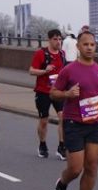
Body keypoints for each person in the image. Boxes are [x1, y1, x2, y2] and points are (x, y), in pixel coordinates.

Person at [48, 30, 98, 190]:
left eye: (92, 45)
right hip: (74, 124)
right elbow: (53, 93)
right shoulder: (69, 70)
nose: (89, 48)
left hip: (95, 124)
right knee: (75, 169)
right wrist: (67, 94)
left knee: (92, 166)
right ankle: (62, 184)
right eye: (85, 44)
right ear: (78, 47)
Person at [28, 29, 68, 160]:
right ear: (49, 40)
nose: (58, 42)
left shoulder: (62, 54)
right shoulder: (41, 53)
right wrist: (45, 71)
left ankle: (61, 146)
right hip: (43, 92)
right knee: (44, 121)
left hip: (58, 92)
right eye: (55, 39)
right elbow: (31, 71)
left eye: (60, 39)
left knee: (63, 117)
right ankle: (42, 144)